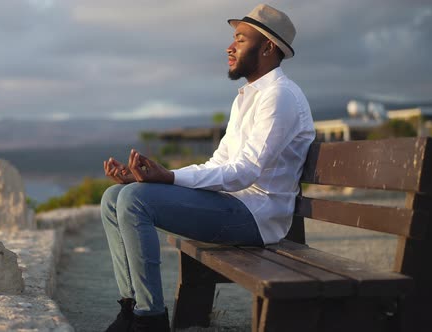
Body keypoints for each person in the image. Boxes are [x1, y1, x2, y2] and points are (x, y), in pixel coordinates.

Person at [100, 4, 315, 332]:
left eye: (241, 40)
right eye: (234, 39)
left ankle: (150, 319)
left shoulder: (280, 96)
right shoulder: (247, 97)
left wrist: (168, 178)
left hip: (256, 218)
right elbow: (219, 163)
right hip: (233, 206)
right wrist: (155, 180)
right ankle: (131, 309)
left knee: (135, 200)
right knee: (115, 196)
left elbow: (245, 171)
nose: (229, 47)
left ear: (268, 48)